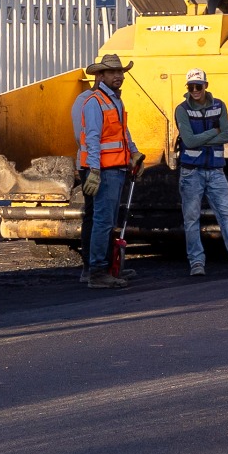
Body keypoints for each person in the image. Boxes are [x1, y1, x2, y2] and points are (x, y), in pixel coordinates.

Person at [172, 67, 228, 278]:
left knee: (227, 216)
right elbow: (190, 140)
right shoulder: (181, 109)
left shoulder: (219, 105)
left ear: (205, 86)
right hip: (191, 172)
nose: (195, 90)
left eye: (198, 86)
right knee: (191, 219)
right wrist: (214, 132)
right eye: (191, 87)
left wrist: (201, 137)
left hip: (215, 171)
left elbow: (227, 136)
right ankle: (197, 263)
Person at [72, 52, 137, 288]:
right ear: (100, 75)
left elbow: (121, 132)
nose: (119, 76)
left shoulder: (114, 101)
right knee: (102, 221)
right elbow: (92, 139)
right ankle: (97, 272)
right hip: (104, 171)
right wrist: (95, 172)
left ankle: (105, 268)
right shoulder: (95, 103)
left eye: (120, 72)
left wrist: (133, 152)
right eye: (113, 72)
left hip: (115, 168)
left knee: (106, 221)